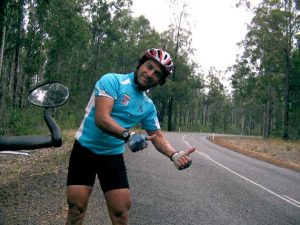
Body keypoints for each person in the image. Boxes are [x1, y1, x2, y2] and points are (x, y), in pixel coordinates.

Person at [65, 48, 196, 225]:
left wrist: (174, 154)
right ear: (140, 64)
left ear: (159, 81)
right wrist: (128, 135)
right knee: (76, 208)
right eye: (148, 67)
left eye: (157, 74)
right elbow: (102, 119)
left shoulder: (148, 105)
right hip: (85, 150)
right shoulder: (112, 80)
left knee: (121, 212)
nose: (150, 74)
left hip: (112, 156)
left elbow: (156, 135)